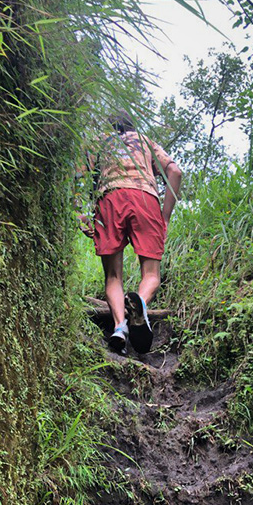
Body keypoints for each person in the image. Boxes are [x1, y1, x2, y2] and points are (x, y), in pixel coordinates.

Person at [78, 112, 182, 354]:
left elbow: (77, 175)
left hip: (110, 197)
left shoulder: (99, 143)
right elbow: (175, 173)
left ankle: (119, 328)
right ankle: (140, 306)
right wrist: (164, 216)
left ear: (110, 126)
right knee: (151, 274)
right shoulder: (146, 142)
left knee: (113, 276)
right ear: (132, 126)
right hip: (145, 198)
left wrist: (79, 213)